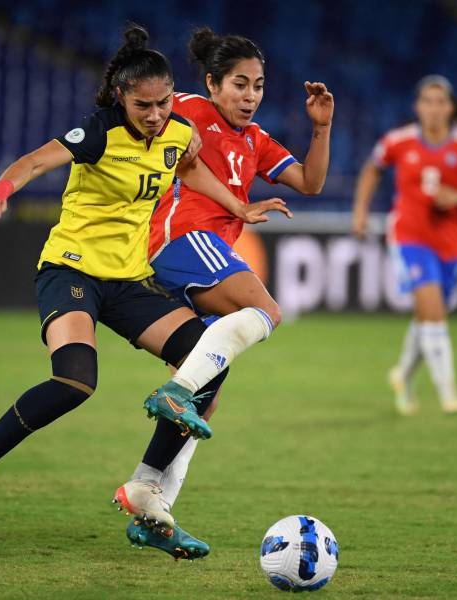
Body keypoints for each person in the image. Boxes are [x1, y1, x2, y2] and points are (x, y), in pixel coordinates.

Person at [0, 25, 287, 549]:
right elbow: (36, 161)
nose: (155, 115)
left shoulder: (177, 132)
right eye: (143, 105)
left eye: (163, 103)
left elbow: (190, 171)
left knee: (207, 371)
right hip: (72, 270)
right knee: (75, 383)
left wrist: (239, 206)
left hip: (129, 279)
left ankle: (147, 486)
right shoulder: (99, 131)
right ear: (122, 98)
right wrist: (1, 190)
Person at [117, 27, 333, 559]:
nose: (251, 95)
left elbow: (310, 183)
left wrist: (321, 127)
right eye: (240, 84)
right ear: (213, 84)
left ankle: (150, 504)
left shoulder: (256, 141)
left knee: (206, 396)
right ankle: (174, 392)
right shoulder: (189, 108)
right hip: (181, 240)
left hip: (198, 257)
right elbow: (141, 112)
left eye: (258, 85)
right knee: (266, 310)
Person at [352, 75, 457, 416]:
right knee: (432, 309)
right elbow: (372, 169)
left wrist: (456, 196)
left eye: (440, 102)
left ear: (451, 107)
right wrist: (360, 212)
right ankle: (448, 392)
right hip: (409, 236)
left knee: (429, 314)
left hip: (450, 243)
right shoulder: (399, 141)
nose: (433, 109)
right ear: (417, 106)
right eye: (427, 101)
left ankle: (403, 376)